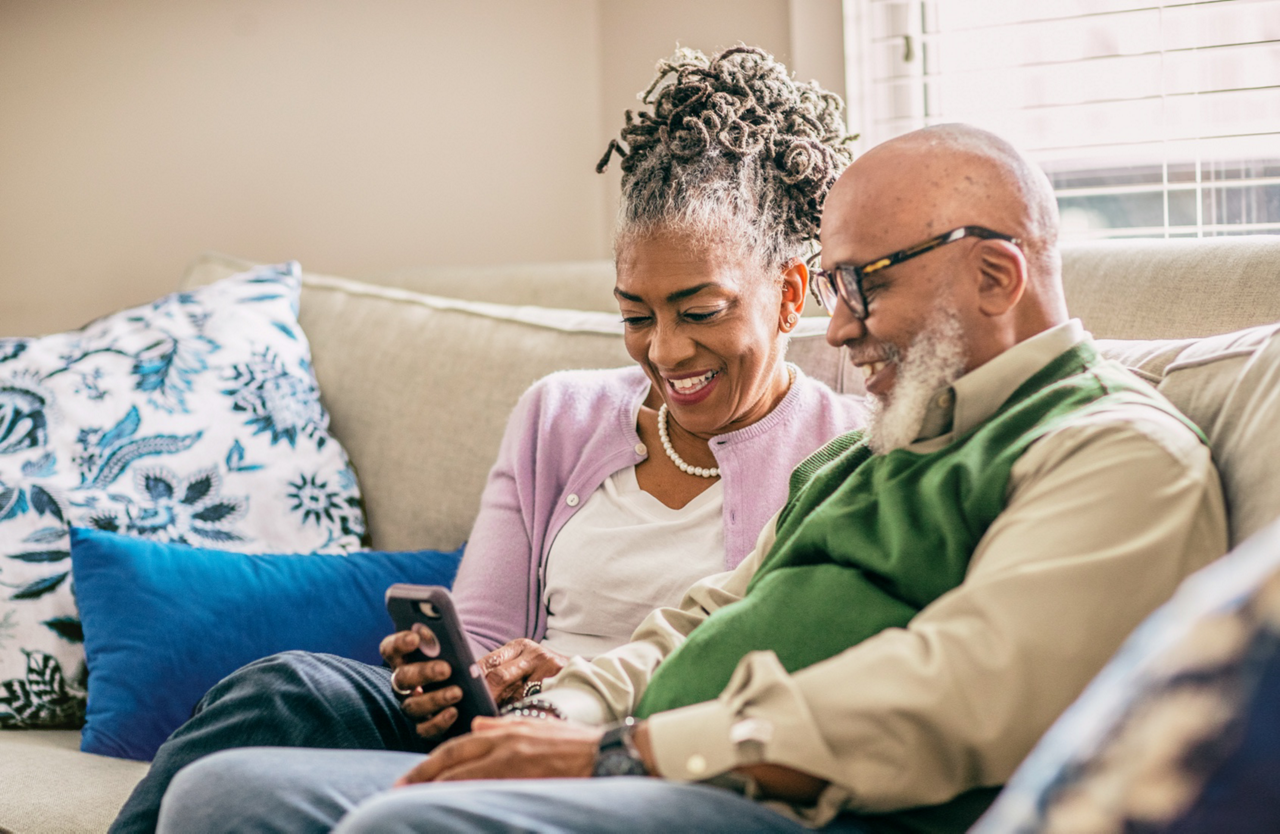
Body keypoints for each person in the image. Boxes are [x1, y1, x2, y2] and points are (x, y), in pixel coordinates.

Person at [150, 122, 1229, 834]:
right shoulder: (885, 445)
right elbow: (699, 619)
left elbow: (962, 692)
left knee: (402, 823)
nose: (841, 329)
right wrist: (560, 713)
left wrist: (621, 754)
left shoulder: (1111, 451)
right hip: (646, 761)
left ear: (995, 272)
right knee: (226, 795)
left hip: (803, 804)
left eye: (859, 286)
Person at [108, 46, 865, 833]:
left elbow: (795, 687)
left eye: (699, 311)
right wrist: (449, 677)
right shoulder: (559, 414)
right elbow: (484, 641)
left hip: (648, 756)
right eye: (637, 316)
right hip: (503, 734)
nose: (665, 352)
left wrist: (577, 680)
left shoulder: (848, 455)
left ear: (787, 294)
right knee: (283, 690)